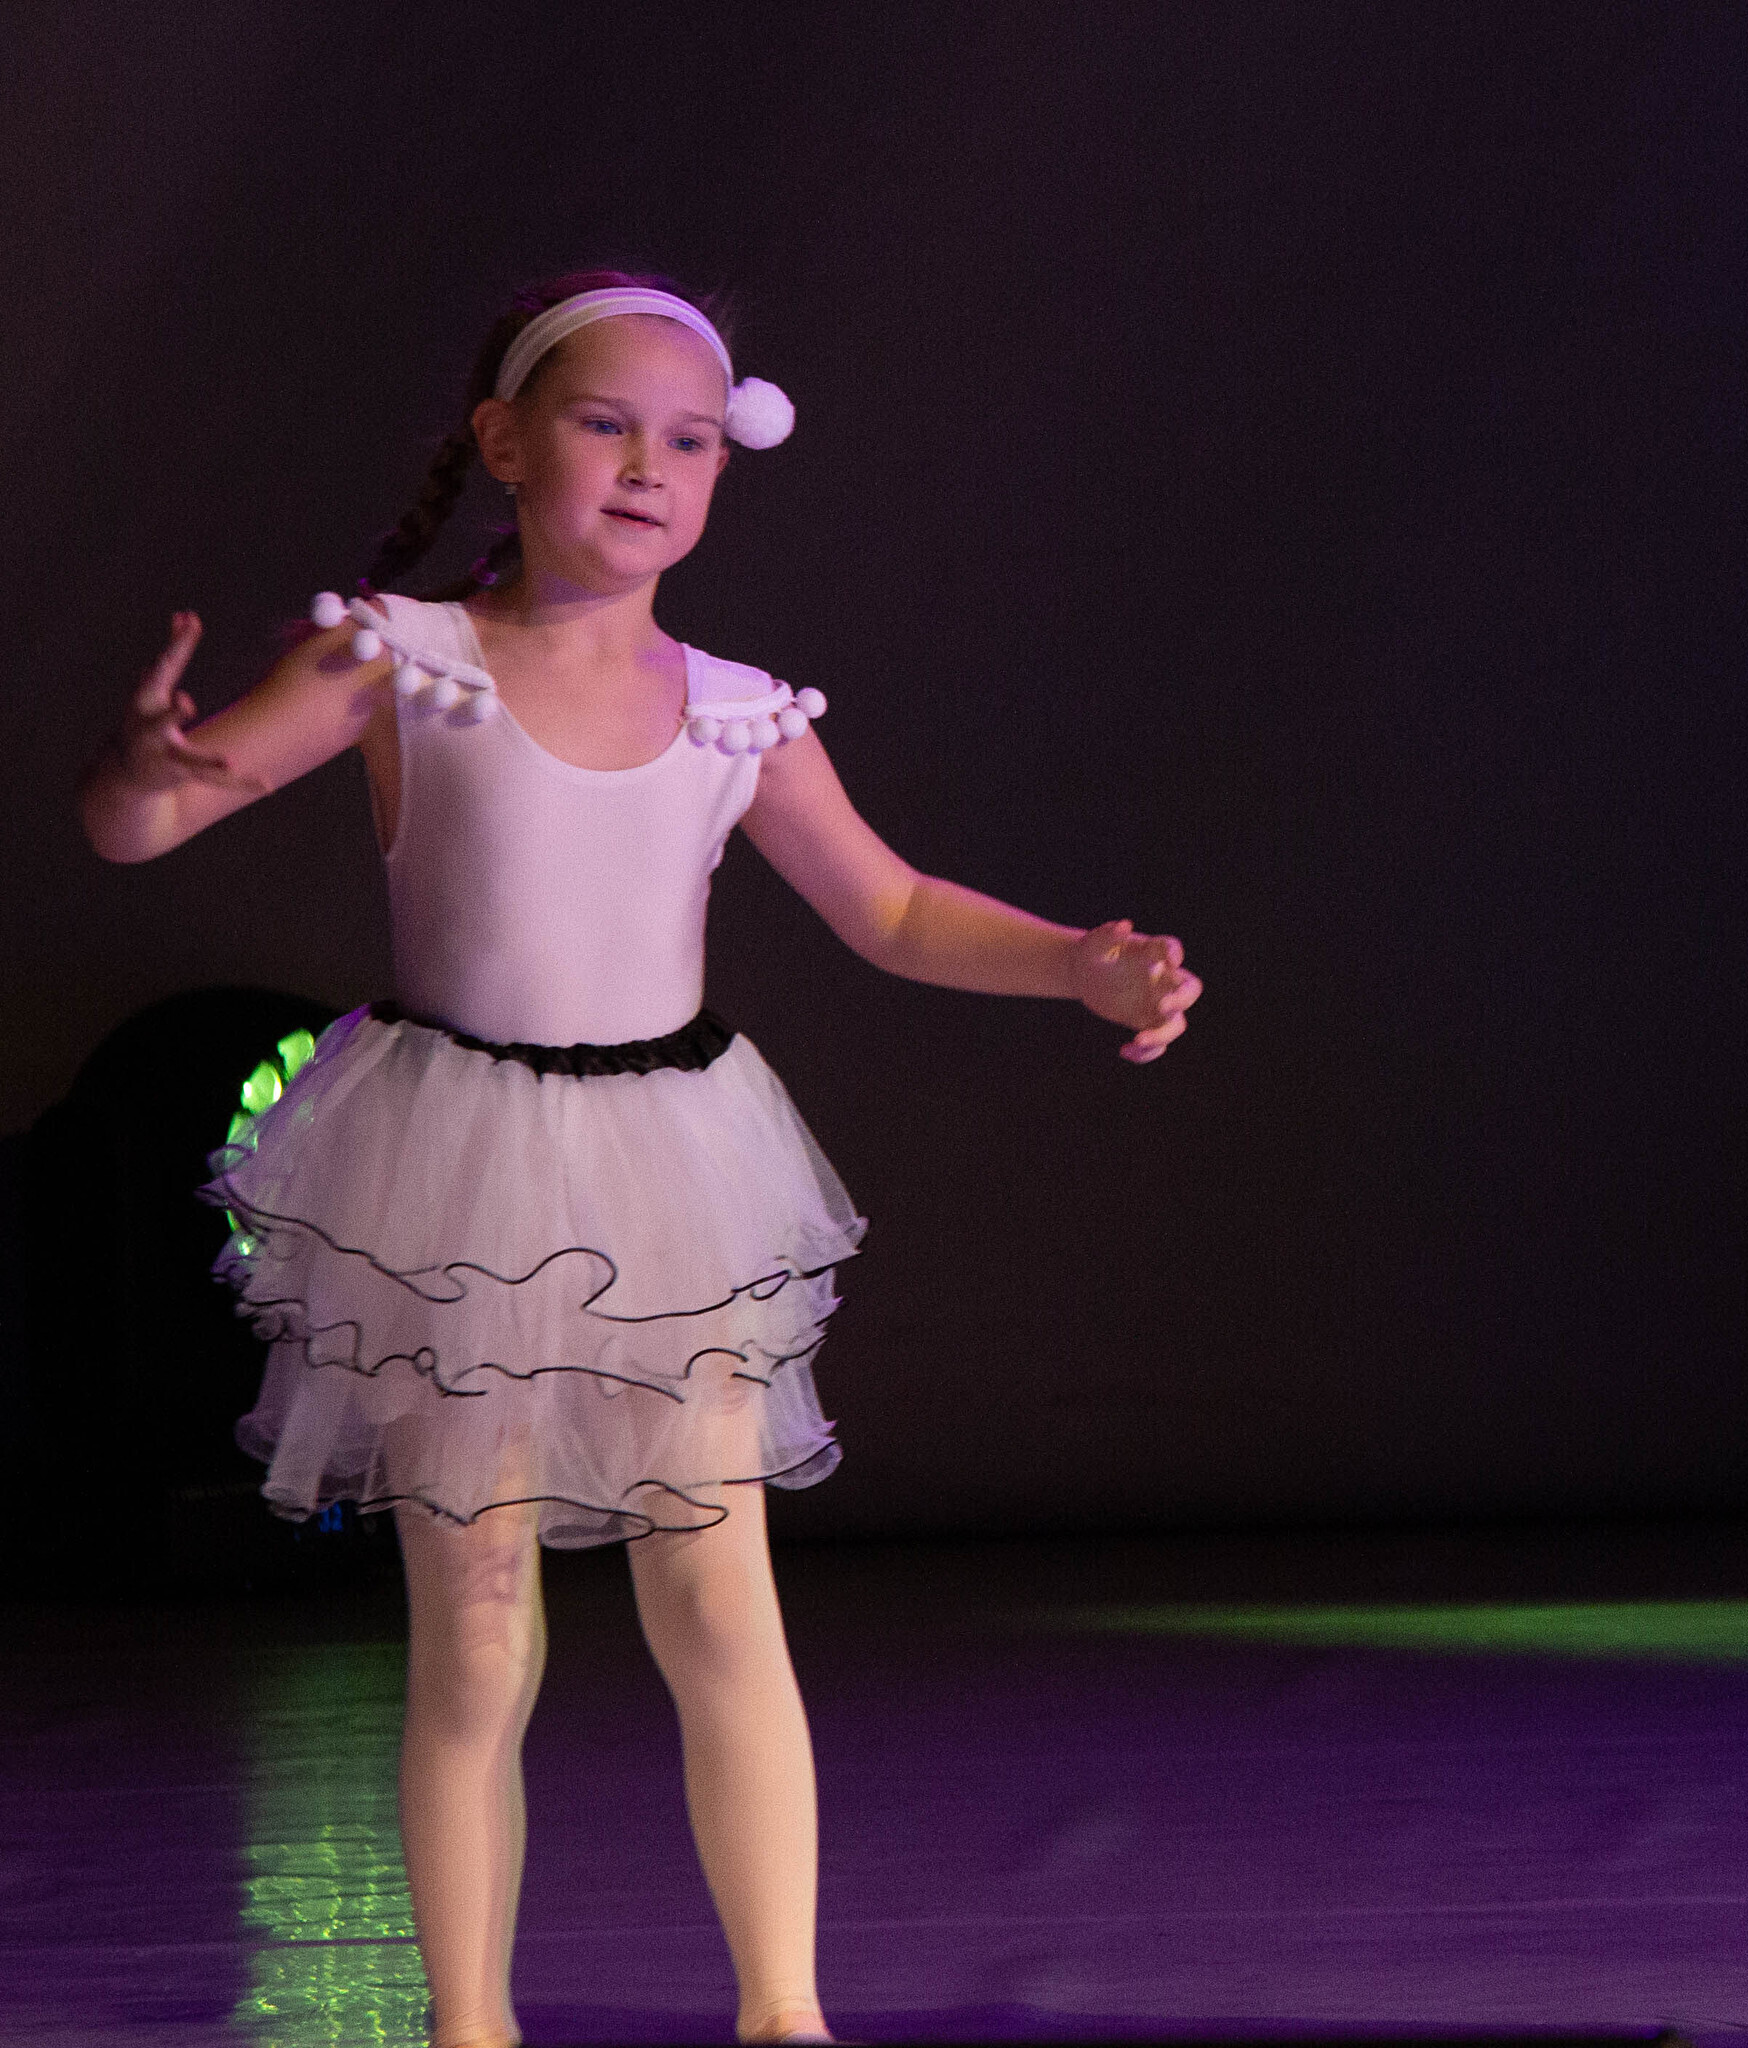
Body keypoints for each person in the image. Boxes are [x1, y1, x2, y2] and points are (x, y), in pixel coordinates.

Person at [77, 272, 1201, 2048]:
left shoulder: (739, 712)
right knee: (477, 1634)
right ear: (507, 442)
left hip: (665, 1182)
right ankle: (470, 2025)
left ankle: (784, 2013)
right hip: (452, 1183)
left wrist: (1077, 962)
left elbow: (896, 909)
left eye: (688, 439)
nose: (647, 466)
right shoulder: (399, 660)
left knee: (720, 1606)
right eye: (606, 424)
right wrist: (141, 773)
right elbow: (151, 821)